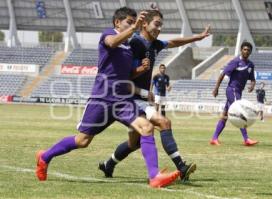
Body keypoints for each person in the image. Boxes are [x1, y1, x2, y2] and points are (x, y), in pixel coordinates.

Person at [35, 7, 180, 188]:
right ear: (117, 22)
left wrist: (141, 71)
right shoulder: (108, 35)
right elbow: (111, 43)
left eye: (134, 22)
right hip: (101, 99)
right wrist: (134, 28)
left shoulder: (129, 46)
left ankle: (154, 177)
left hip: (121, 100)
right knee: (83, 141)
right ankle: (45, 156)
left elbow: (128, 73)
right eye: (128, 21)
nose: (132, 25)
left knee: (146, 127)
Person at [98, 9, 211, 181]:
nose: (159, 29)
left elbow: (174, 42)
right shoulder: (133, 43)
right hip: (129, 98)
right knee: (163, 122)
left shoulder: (155, 44)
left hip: (139, 98)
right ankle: (181, 167)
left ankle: (109, 164)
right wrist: (143, 89)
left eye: (161, 26)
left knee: (133, 143)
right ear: (144, 24)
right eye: (156, 24)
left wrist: (198, 37)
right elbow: (124, 77)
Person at [210, 41, 259, 146]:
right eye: (244, 49)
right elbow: (223, 74)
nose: (246, 51)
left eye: (248, 50)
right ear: (241, 50)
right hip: (232, 90)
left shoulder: (251, 65)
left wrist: (252, 85)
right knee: (240, 112)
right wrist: (216, 88)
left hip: (238, 92)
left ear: (250, 52)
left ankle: (214, 138)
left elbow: (253, 79)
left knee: (224, 116)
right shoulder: (235, 61)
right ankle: (246, 139)